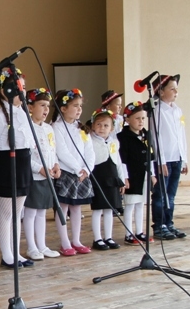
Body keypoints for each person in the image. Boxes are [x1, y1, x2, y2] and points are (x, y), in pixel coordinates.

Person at [0, 71, 34, 268]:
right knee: (6, 213)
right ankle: (7, 255)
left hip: (23, 163)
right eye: (17, 88)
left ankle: (16, 253)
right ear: (4, 91)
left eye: (23, 88)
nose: (22, 92)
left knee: (17, 213)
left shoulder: (23, 113)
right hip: (5, 165)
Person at [51, 88, 94, 256]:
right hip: (67, 172)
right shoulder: (57, 127)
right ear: (63, 108)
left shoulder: (82, 128)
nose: (79, 109)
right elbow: (62, 151)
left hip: (82, 174)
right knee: (63, 208)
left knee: (77, 208)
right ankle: (65, 242)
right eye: (75, 106)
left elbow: (90, 151)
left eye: (80, 106)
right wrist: (77, 169)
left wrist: (87, 169)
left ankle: (76, 240)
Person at [149, 75, 188, 240]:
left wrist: (184, 158)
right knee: (160, 194)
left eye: (176, 88)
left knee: (171, 194)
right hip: (164, 160)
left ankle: (169, 222)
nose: (176, 92)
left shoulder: (177, 110)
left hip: (176, 157)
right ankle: (159, 226)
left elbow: (181, 135)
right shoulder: (156, 110)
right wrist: (161, 160)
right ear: (161, 91)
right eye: (172, 89)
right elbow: (155, 137)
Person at [23, 88, 61, 260]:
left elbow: (53, 150)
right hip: (34, 176)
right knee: (31, 212)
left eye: (48, 106)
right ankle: (31, 247)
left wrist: (56, 165)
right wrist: (39, 168)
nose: (46, 109)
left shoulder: (49, 128)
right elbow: (26, 155)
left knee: (42, 212)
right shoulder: (26, 127)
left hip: (48, 176)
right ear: (31, 107)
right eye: (42, 105)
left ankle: (42, 245)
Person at [117, 102, 155, 245]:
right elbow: (123, 160)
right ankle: (128, 234)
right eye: (137, 118)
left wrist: (152, 174)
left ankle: (139, 231)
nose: (141, 121)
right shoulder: (123, 137)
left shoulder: (146, 135)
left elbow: (150, 156)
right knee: (130, 204)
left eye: (143, 118)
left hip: (144, 176)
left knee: (141, 204)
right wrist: (125, 177)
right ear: (127, 119)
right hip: (132, 176)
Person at [89, 109, 125, 250]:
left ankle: (108, 237)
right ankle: (97, 238)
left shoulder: (114, 142)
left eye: (106, 125)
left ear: (112, 128)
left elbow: (118, 162)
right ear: (93, 125)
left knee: (110, 209)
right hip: (98, 177)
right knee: (98, 209)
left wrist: (122, 179)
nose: (102, 128)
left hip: (112, 178)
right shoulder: (90, 141)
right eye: (98, 124)